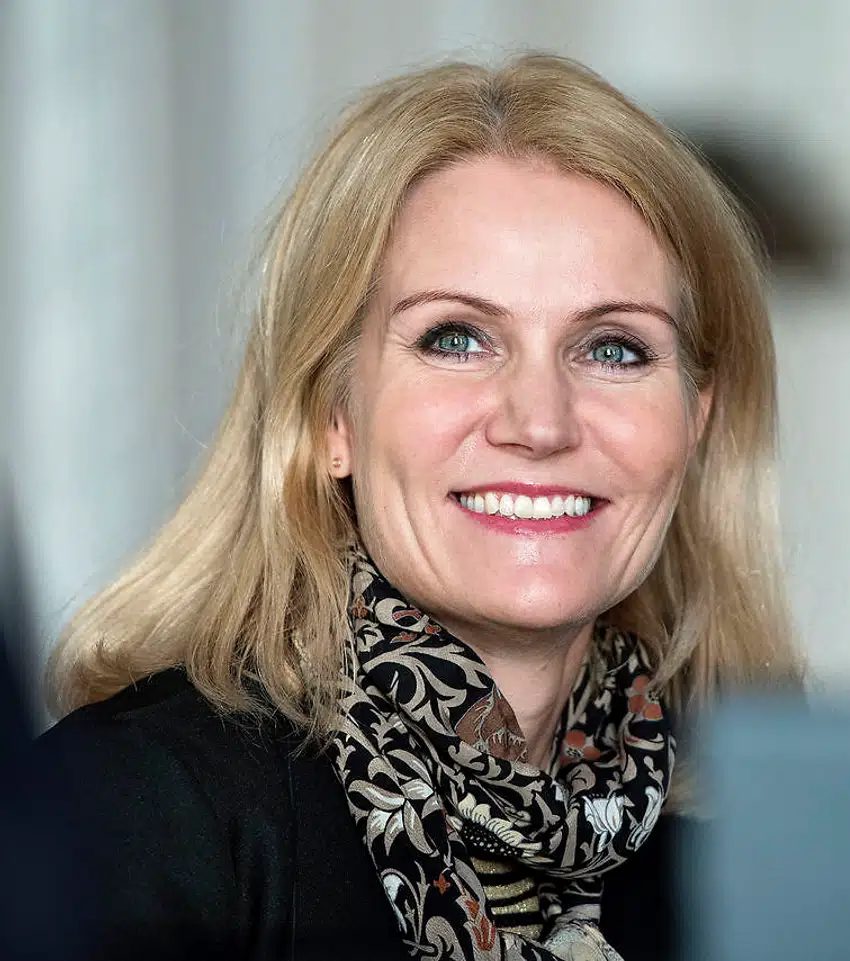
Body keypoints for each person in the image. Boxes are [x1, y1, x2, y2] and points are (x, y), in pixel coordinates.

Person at [40, 55, 802, 961]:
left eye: (613, 349)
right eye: (457, 338)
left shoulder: (763, 854)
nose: (540, 422)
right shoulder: (127, 812)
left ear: (695, 421)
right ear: (331, 415)